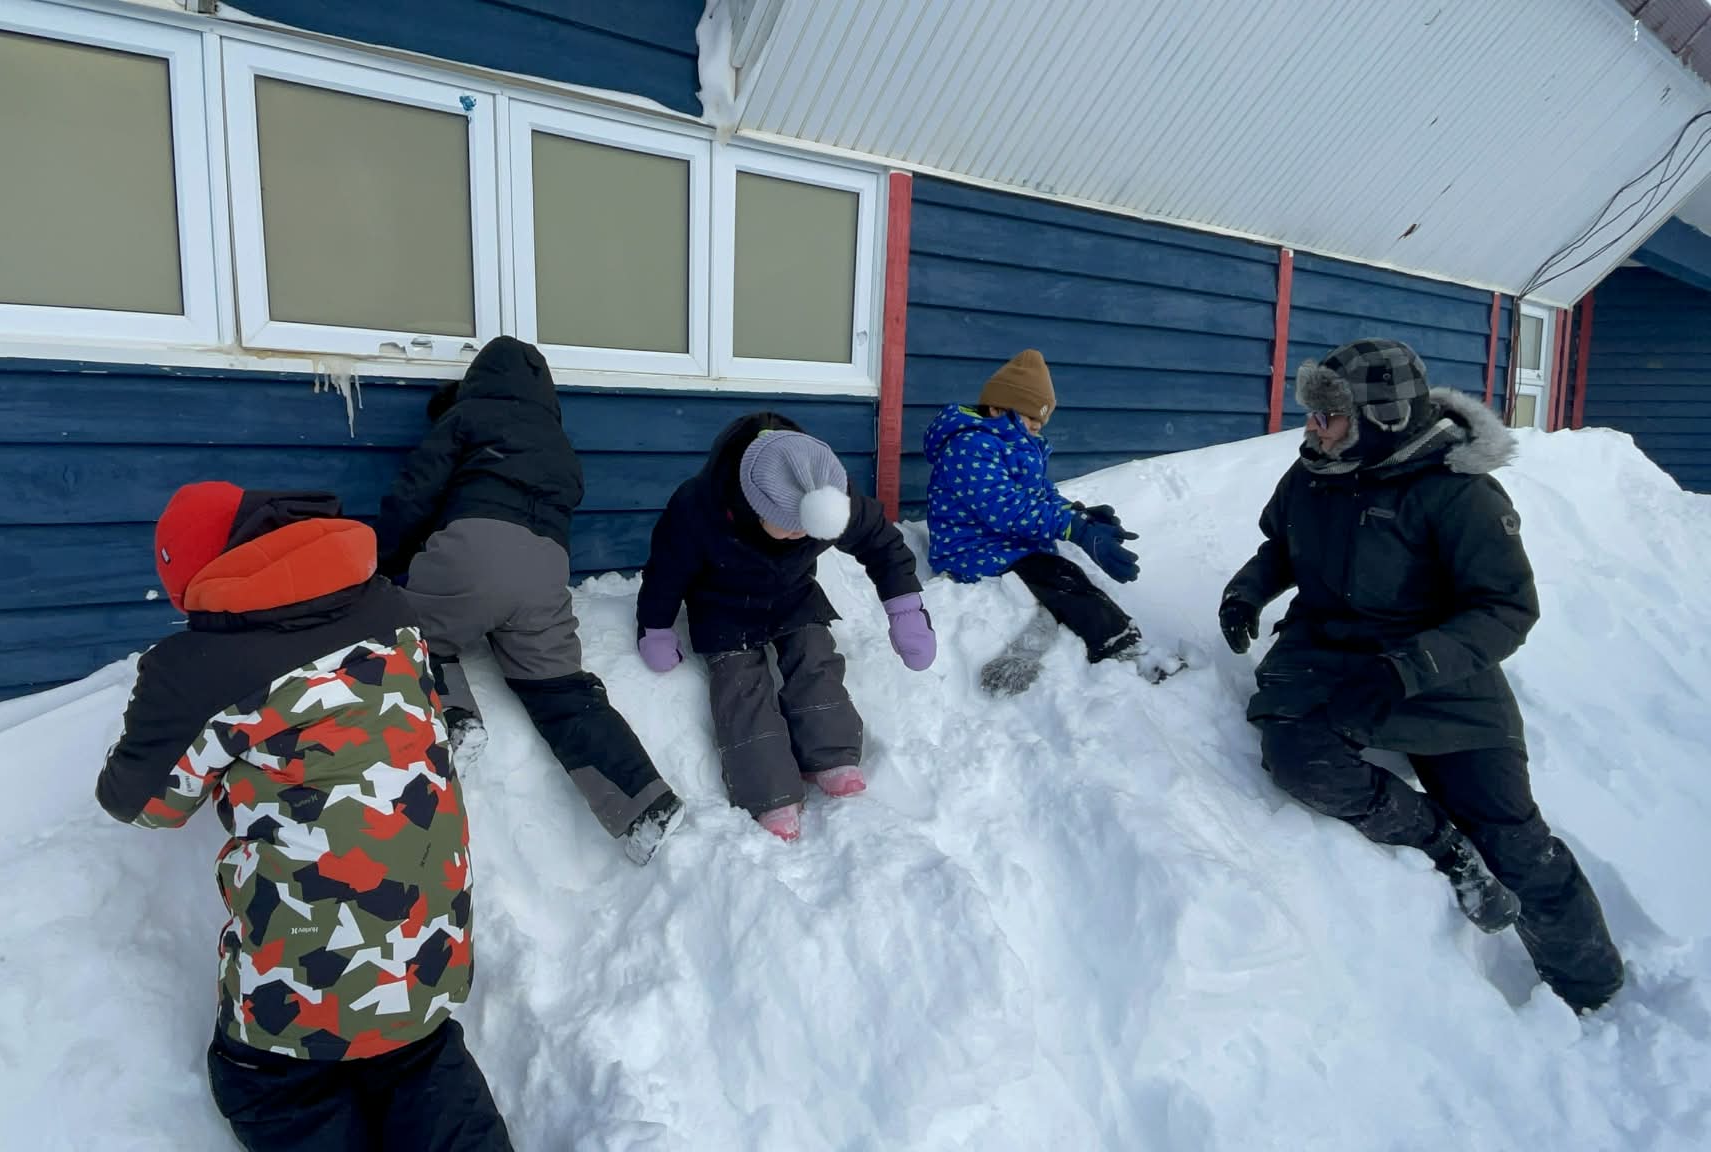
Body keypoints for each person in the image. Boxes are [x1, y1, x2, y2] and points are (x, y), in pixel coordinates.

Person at [96, 483, 512, 1150]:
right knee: (413, 1061)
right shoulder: (388, 606)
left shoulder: (196, 670)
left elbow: (139, 803)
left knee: (272, 1084)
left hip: (298, 988)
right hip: (428, 952)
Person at [1220, 338, 1624, 1014]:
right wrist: (1247, 593)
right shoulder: (1314, 474)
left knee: (1515, 838)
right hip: (1326, 652)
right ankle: (1443, 846)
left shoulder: (1456, 492)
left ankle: (1592, 988)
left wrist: (1408, 669)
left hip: (1441, 672)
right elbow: (1281, 547)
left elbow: (1506, 608)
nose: (1313, 428)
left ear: (1379, 417)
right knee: (1300, 759)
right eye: (1313, 415)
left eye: (1329, 416)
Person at [375, 336, 680, 864]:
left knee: (407, 629)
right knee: (561, 690)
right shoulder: (558, 445)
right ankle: (643, 802)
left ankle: (455, 719)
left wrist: (382, 561)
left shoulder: (466, 418)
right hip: (546, 570)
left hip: (475, 549)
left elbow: (414, 494)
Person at [636, 414, 935, 841]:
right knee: (741, 685)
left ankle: (831, 755)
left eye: (810, 529)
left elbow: (882, 545)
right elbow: (666, 572)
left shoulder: (830, 492)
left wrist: (906, 611)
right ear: (756, 506)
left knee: (815, 657)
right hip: (721, 605)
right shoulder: (698, 507)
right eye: (791, 526)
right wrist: (656, 627)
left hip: (793, 595)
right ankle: (769, 791)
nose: (802, 535)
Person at [923, 348, 1181, 691]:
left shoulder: (1017, 445)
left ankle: (1063, 626)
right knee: (1062, 576)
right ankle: (1121, 646)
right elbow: (1005, 508)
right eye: (1030, 421)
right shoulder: (970, 446)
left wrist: (1078, 514)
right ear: (998, 408)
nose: (1034, 430)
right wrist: (1070, 528)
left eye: (1039, 425)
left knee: (1059, 576)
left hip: (1008, 544)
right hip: (971, 549)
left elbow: (1040, 493)